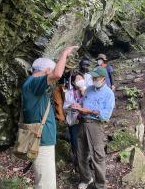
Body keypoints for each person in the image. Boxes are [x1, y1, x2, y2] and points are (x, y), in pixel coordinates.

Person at [21, 46, 78, 189]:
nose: (51, 77)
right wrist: (64, 53)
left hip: (42, 140)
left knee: (44, 182)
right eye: (50, 72)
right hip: (42, 141)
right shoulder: (33, 83)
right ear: (46, 71)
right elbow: (58, 74)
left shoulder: (33, 86)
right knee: (46, 185)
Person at [72, 67, 115, 189]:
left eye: (96, 77)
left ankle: (100, 184)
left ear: (103, 78)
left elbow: (106, 115)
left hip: (95, 125)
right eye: (93, 77)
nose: (93, 79)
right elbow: (83, 103)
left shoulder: (109, 94)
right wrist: (78, 106)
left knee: (98, 155)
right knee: (81, 152)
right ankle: (86, 179)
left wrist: (89, 111)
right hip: (82, 123)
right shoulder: (89, 89)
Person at [63, 72, 86, 170]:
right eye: (78, 79)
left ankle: (86, 161)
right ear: (73, 82)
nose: (80, 81)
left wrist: (83, 92)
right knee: (75, 142)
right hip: (74, 121)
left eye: (81, 78)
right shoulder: (69, 92)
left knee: (85, 141)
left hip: (85, 120)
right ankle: (78, 163)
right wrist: (71, 106)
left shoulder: (88, 90)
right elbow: (65, 107)